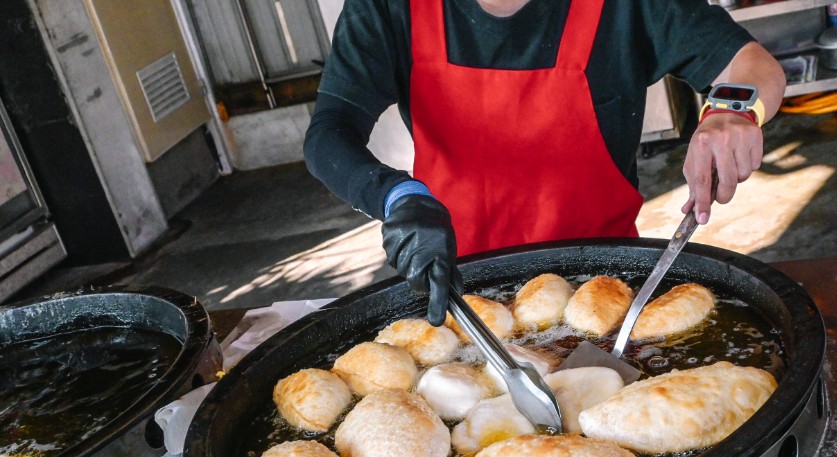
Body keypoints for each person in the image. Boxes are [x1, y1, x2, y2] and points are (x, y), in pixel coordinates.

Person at [304, 0, 786, 325]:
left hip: (607, 291)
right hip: (459, 296)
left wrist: (731, 112)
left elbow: (750, 64)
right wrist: (397, 197)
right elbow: (330, 130)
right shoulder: (390, 6)